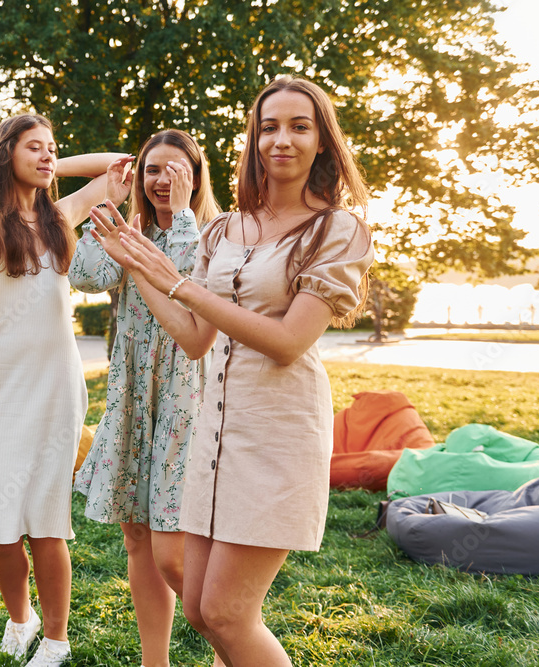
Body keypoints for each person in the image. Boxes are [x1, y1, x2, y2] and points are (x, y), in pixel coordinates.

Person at [89, 76, 375, 666]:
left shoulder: (337, 230)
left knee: (225, 613)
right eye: (269, 127)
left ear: (323, 141)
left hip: (277, 431)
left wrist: (180, 284)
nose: (282, 140)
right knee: (198, 608)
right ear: (253, 138)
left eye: (300, 126)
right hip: (212, 433)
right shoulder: (225, 229)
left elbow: (288, 342)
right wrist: (139, 265)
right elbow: (195, 339)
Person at [0, 114, 132, 667]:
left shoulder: (60, 216)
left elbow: (125, 164)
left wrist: (51, 167)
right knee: (3, 527)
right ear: (4, 153)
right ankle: (20, 621)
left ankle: (56, 638)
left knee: (48, 520)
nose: (48, 156)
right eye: (35, 148)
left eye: (52, 148)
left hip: (56, 386)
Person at [70, 129, 220, 667]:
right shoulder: (130, 228)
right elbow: (85, 275)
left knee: (173, 555)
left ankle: (233, 647)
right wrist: (106, 204)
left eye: (176, 170)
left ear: (197, 178)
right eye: (154, 170)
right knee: (137, 539)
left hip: (183, 400)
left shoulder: (208, 234)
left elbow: (184, 276)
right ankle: (152, 662)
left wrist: (181, 214)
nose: (162, 180)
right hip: (132, 397)